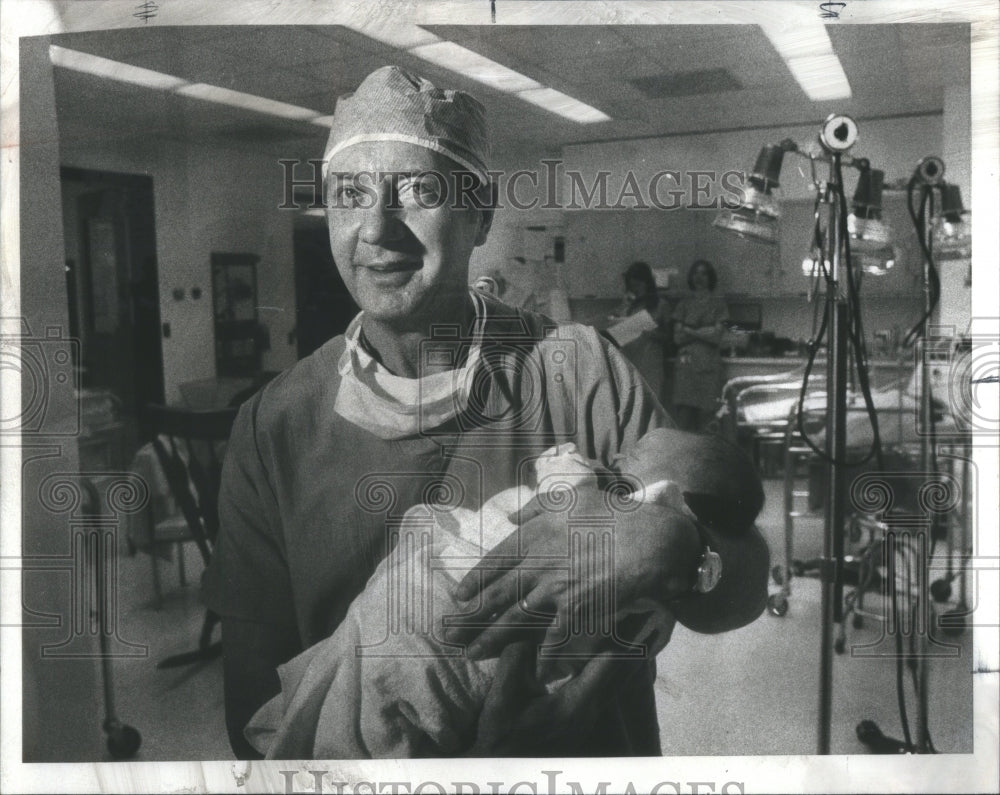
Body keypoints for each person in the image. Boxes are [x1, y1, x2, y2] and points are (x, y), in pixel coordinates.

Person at [203, 65, 769, 760]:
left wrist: (680, 548)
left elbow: (744, 582)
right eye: (349, 194)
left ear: (481, 213)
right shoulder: (273, 429)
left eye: (418, 190)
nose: (377, 228)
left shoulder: (577, 370)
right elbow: (254, 718)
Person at [671, 260, 729, 432]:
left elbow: (716, 336)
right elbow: (678, 338)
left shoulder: (718, 304)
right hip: (686, 366)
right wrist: (704, 331)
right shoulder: (683, 304)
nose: (699, 277)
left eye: (704, 273)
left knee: (708, 421)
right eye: (696, 273)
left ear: (710, 277)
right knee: (683, 420)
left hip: (709, 366)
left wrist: (689, 330)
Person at [613, 261, 670, 404]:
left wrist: (649, 333)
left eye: (639, 285)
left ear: (647, 283)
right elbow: (615, 335)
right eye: (632, 287)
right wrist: (625, 306)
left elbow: (670, 338)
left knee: (651, 409)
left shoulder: (661, 305)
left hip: (651, 366)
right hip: (630, 364)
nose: (636, 290)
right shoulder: (628, 306)